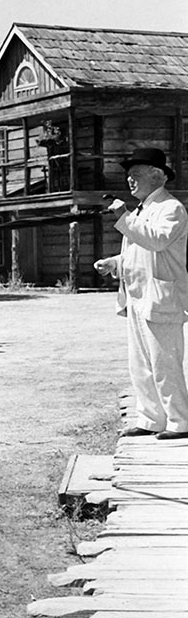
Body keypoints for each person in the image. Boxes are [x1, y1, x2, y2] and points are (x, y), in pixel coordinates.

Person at [94, 148, 188, 440]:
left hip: (162, 298)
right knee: (140, 365)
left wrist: (122, 216)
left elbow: (157, 242)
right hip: (138, 298)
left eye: (135, 175)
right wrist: (115, 263)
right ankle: (150, 419)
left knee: (165, 363)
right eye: (128, 176)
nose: (130, 181)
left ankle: (180, 422)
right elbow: (139, 252)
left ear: (157, 176)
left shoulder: (171, 209)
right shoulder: (142, 210)